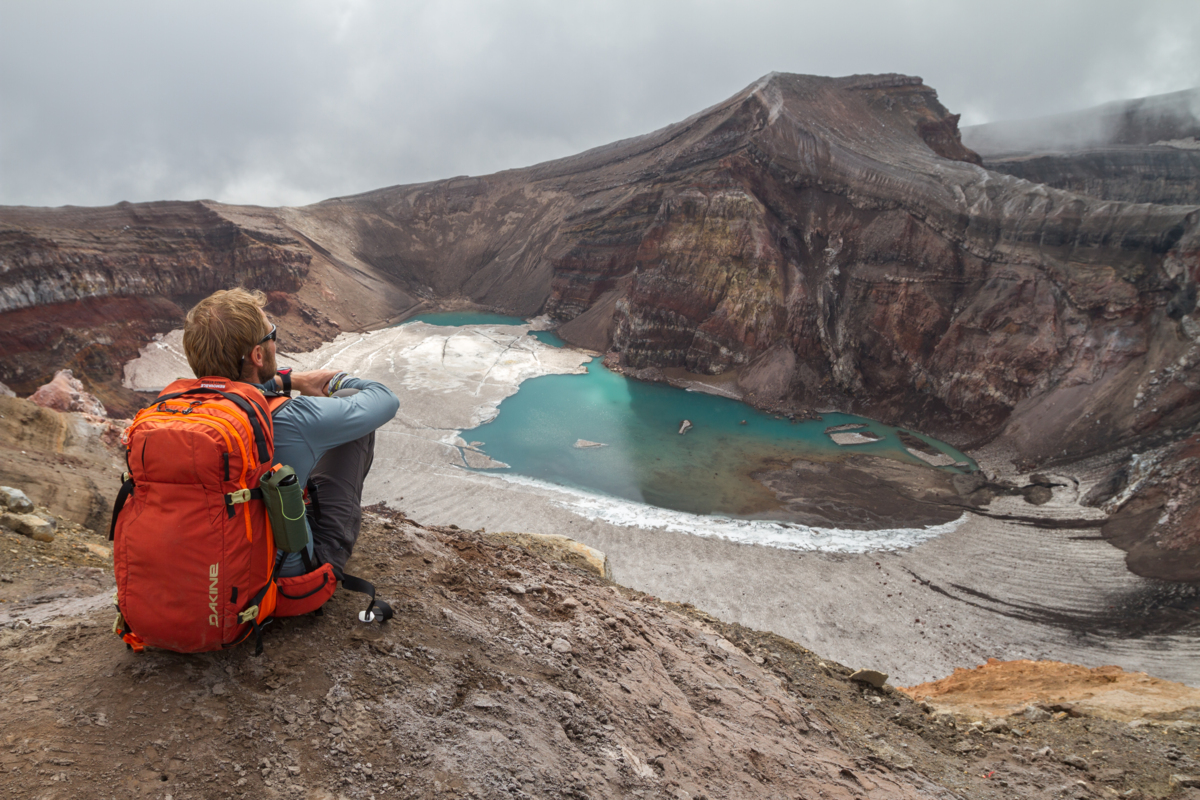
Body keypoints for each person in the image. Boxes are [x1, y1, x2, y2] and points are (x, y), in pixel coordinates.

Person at [182, 288, 399, 579]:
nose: (275, 341)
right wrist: (337, 381)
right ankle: (323, 554)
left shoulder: (177, 410)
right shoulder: (293, 418)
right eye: (272, 335)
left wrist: (290, 380)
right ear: (258, 354)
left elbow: (241, 389)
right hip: (280, 574)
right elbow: (385, 399)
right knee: (351, 420)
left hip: (207, 570)